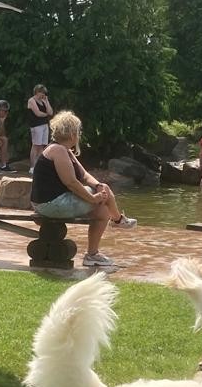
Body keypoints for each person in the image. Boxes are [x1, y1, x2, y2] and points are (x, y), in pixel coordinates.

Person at [30, 110, 136, 268]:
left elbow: (84, 175)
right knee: (102, 204)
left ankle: (95, 251)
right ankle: (117, 221)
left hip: (53, 202)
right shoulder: (57, 151)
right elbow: (71, 182)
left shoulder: (65, 151)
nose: (79, 135)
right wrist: (92, 198)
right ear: (72, 134)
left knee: (102, 204)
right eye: (78, 132)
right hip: (49, 204)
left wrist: (97, 186)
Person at [26, 84, 54, 168]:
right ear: (37, 92)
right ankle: (32, 166)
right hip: (36, 125)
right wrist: (46, 114)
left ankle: (39, 166)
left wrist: (46, 102)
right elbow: (38, 113)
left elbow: (50, 112)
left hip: (44, 124)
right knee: (36, 145)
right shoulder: (31, 100)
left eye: (44, 93)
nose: (43, 94)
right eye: (42, 92)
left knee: (42, 146)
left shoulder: (43, 101)